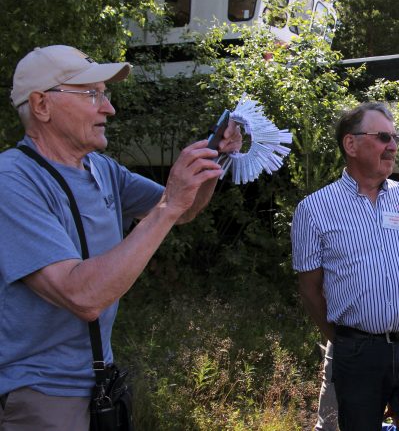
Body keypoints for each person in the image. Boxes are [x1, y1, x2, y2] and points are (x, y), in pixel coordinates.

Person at [0, 45, 242, 430]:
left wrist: (213, 160)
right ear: (41, 106)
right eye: (91, 94)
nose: (108, 108)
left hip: (100, 385)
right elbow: (82, 296)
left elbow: (183, 210)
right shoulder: (13, 181)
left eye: (104, 93)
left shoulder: (101, 168)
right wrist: (168, 206)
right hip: (42, 398)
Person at [291, 102, 399, 431]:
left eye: (394, 137)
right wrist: (344, 341)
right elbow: (309, 289)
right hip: (358, 352)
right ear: (351, 144)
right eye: (382, 137)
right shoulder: (314, 209)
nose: (392, 145)